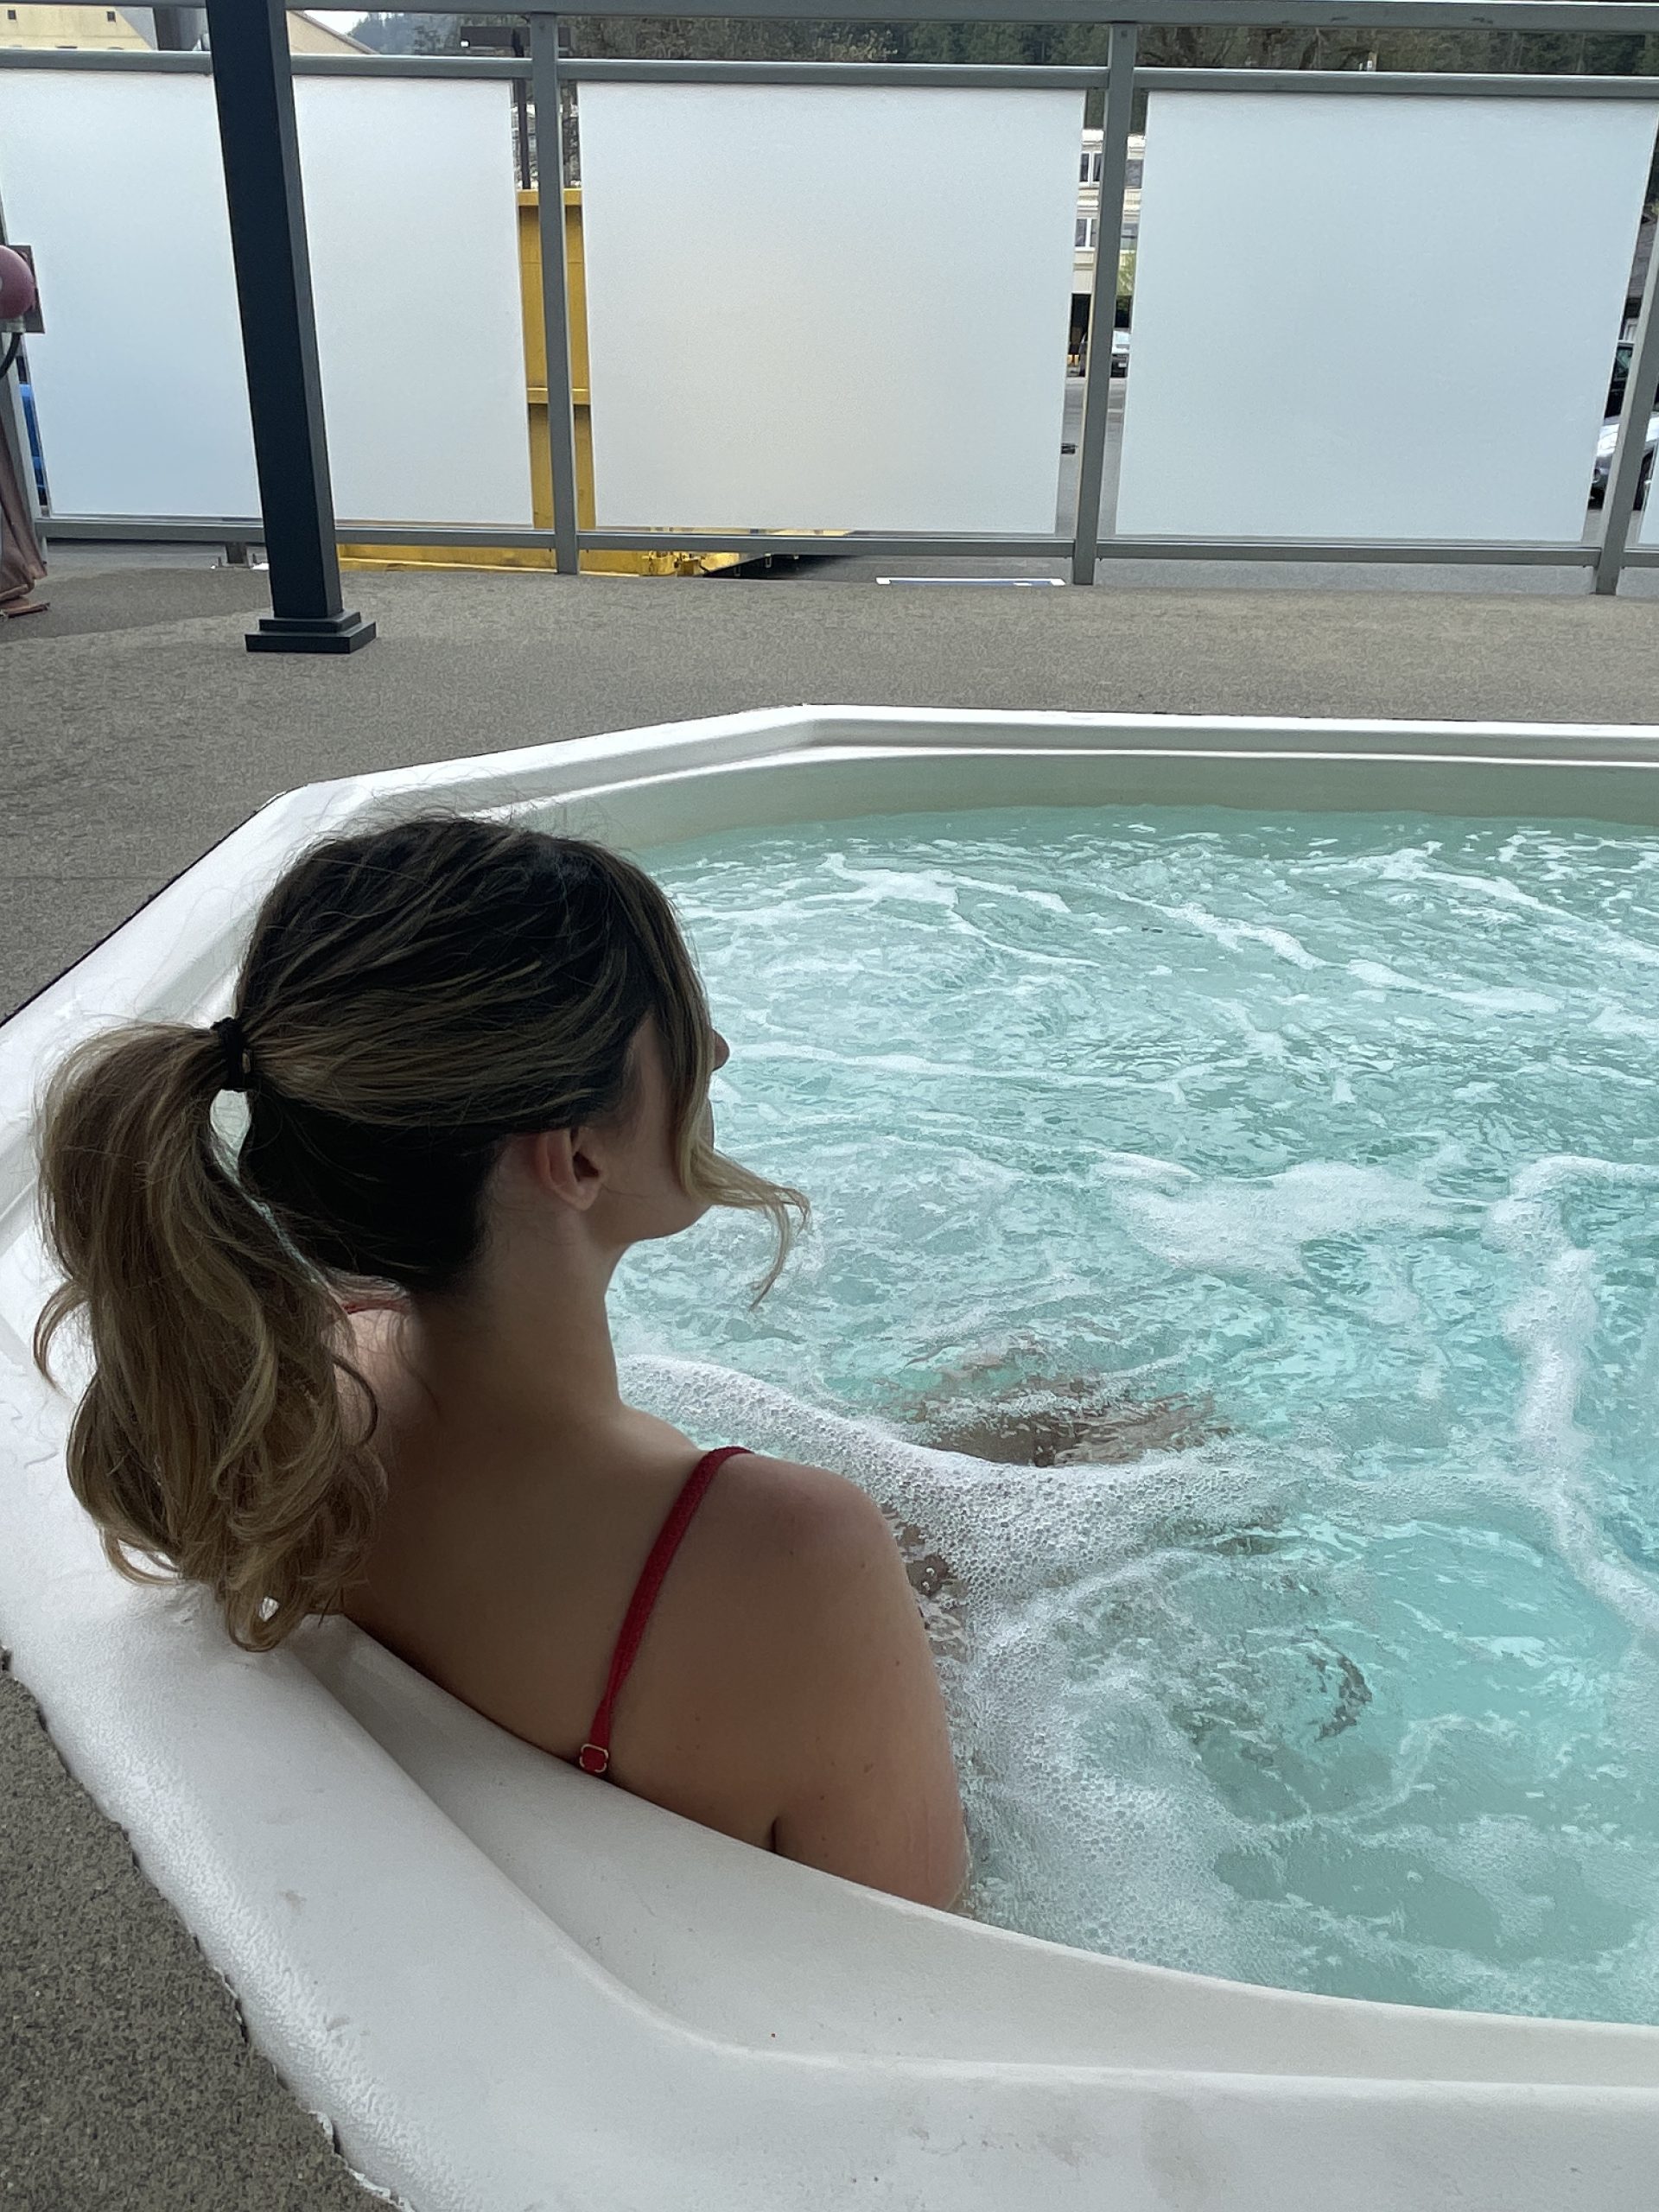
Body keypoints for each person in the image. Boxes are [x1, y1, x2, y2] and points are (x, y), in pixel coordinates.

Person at [34, 817, 965, 1910]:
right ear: (577, 1153)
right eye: (683, 1027)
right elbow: (936, 1969)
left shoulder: (287, 1390)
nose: (716, 1056)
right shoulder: (795, 1556)